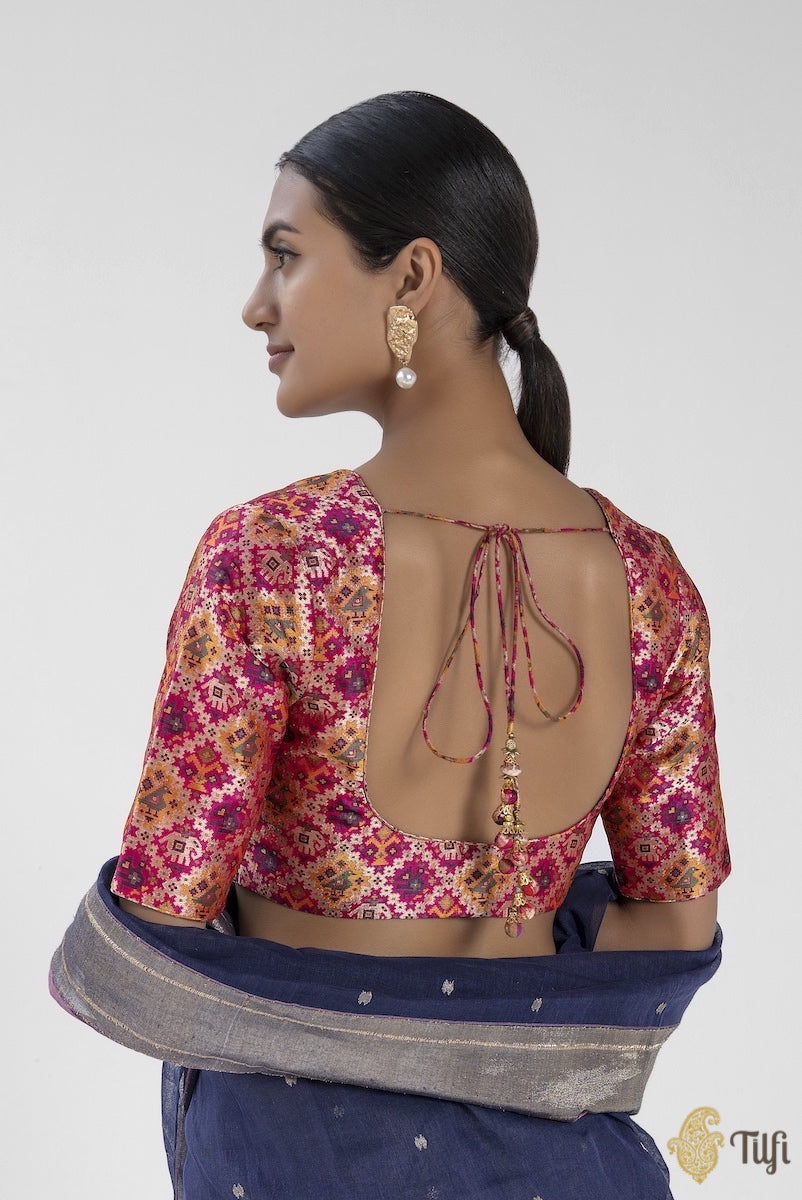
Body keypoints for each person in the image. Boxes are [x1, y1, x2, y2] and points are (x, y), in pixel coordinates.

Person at [51, 91, 730, 1199]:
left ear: (412, 277)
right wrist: (502, 1018)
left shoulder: (277, 558)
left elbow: (162, 909)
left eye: (285, 255)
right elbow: (676, 915)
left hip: (305, 1156)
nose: (255, 305)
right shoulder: (649, 582)